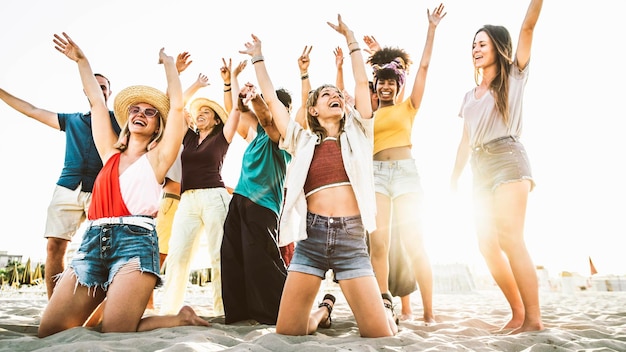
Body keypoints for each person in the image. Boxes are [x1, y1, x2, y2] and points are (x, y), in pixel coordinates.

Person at [38, 32, 209, 337]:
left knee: (116, 332)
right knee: (50, 331)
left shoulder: (159, 158)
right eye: (135, 109)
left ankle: (179, 318)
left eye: (150, 112)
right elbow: (96, 102)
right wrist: (82, 60)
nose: (140, 114)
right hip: (91, 244)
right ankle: (175, 316)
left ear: (158, 126)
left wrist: (169, 65)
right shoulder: (108, 153)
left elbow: (179, 109)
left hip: (135, 243)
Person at [240, 13, 395, 337]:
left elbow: (358, 84)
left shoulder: (360, 133)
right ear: (313, 110)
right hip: (311, 238)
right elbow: (272, 102)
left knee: (381, 334)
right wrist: (258, 57)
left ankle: (386, 310)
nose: (334, 96)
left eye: (336, 94)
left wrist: (351, 39)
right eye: (326, 95)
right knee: (290, 330)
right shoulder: (301, 140)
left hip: (351, 240)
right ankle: (323, 311)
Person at [450, 0, 544, 334]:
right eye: (473, 44)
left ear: (497, 47)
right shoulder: (468, 96)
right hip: (479, 167)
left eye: (482, 43)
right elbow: (464, 142)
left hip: (508, 158)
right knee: (487, 245)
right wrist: (454, 178)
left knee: (510, 238)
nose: (475, 48)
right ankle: (517, 312)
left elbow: (528, 27)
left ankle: (533, 318)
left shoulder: (514, 76)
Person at [0, 73, 120, 301]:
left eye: (103, 87)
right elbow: (32, 110)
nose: (99, 90)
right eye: (94, 86)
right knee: (54, 246)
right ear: (86, 90)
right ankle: (54, 304)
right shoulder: (72, 120)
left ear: (109, 92)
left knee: (106, 250)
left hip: (102, 189)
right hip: (67, 187)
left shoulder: (121, 121)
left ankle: (105, 303)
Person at [367, 3, 446, 326]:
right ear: (375, 86)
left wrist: (431, 29)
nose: (386, 87)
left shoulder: (409, 106)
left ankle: (428, 312)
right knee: (380, 243)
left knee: (414, 242)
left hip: (406, 174)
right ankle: (384, 306)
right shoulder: (368, 113)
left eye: (391, 83)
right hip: (376, 176)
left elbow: (424, 68)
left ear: (398, 85)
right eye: (381, 83)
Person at [159, 67, 240, 317]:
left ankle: (223, 309)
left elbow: (236, 111)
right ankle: (169, 310)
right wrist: (194, 84)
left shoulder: (222, 137)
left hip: (214, 197)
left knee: (218, 253)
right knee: (177, 255)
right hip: (188, 200)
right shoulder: (190, 138)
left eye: (207, 112)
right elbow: (174, 106)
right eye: (199, 112)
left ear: (216, 120)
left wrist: (230, 81)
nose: (202, 114)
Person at [220, 59, 292, 325]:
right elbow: (235, 110)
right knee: (233, 257)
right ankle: (240, 314)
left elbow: (265, 116)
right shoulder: (256, 135)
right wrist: (232, 83)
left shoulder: (282, 135)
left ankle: (279, 311)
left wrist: (258, 97)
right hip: (240, 199)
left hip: (263, 207)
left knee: (262, 260)